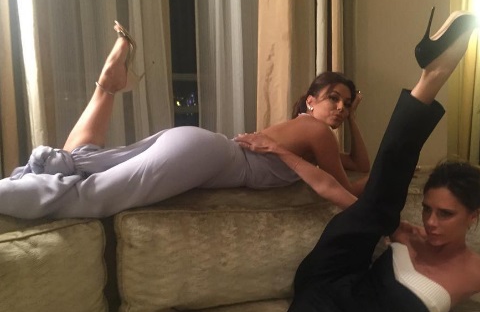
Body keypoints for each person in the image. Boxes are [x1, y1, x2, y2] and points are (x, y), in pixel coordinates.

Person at [123, 9, 480, 312]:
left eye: (446, 215)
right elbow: (357, 193)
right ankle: (432, 76)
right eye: (428, 210)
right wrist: (394, 226)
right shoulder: (407, 232)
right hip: (334, 270)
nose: (430, 223)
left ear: (474, 216)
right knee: (382, 206)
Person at [0, 23, 367, 219]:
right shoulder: (317, 131)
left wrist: (352, 120)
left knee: (84, 161)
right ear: (310, 101)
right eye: (333, 98)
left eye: (347, 104)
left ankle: (107, 88)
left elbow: (358, 163)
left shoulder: (305, 137)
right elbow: (345, 190)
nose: (340, 108)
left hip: (199, 146)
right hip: (206, 156)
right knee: (91, 198)